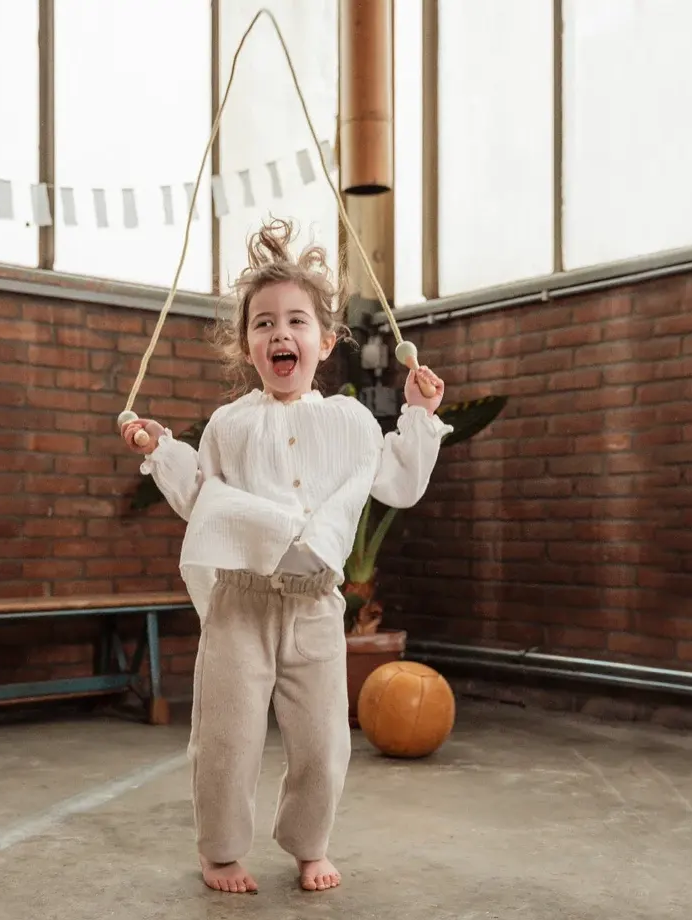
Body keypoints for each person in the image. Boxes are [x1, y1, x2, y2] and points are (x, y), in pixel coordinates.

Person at [121, 218, 452, 894]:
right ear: (247, 345)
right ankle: (220, 851)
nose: (280, 333)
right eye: (264, 323)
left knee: (324, 742)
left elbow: (399, 483)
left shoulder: (350, 423)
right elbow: (202, 498)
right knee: (226, 738)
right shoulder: (230, 425)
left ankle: (309, 844)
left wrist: (419, 415)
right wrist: (161, 450)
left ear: (324, 341)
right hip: (241, 602)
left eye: (297, 321)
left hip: (315, 606)